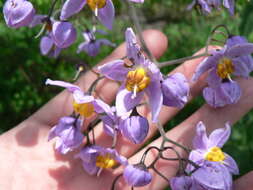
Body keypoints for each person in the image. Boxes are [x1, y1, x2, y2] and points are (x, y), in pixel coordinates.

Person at [0, 29, 252, 190]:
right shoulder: (132, 89)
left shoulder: (150, 85)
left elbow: (149, 97)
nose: (133, 80)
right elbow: (117, 82)